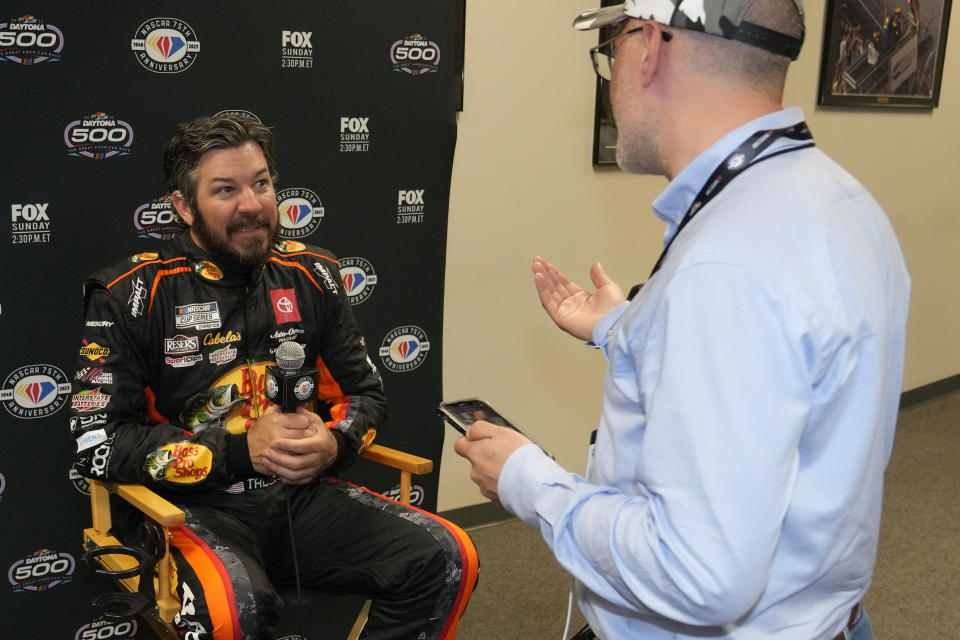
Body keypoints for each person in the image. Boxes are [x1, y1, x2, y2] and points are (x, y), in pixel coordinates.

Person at [454, 1, 909, 639]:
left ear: (652, 45)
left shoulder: (725, 268)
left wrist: (530, 481)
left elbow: (700, 573)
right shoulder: (839, 200)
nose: (612, 79)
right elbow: (792, 381)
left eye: (611, 53)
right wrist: (630, 328)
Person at [71, 114, 478, 639]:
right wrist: (241, 450)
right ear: (183, 206)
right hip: (187, 510)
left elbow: (366, 396)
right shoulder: (129, 292)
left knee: (447, 557)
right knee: (237, 609)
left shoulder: (315, 273)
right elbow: (99, 444)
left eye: (261, 183)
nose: (251, 204)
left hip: (301, 499)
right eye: (225, 190)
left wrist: (335, 444)